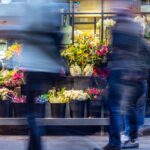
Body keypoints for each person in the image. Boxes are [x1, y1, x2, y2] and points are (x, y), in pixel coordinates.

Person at [0, 1, 66, 150]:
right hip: (48, 67)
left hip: (35, 65)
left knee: (31, 114)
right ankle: (33, 145)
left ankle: (35, 147)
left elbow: (23, 28)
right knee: (34, 112)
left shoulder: (31, 5)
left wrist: (11, 27)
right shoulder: (50, 5)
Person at [94, 4, 150, 150]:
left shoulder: (121, 29)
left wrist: (108, 65)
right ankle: (132, 138)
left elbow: (118, 54)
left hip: (122, 75)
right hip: (134, 78)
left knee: (115, 109)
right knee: (130, 107)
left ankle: (116, 142)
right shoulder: (136, 30)